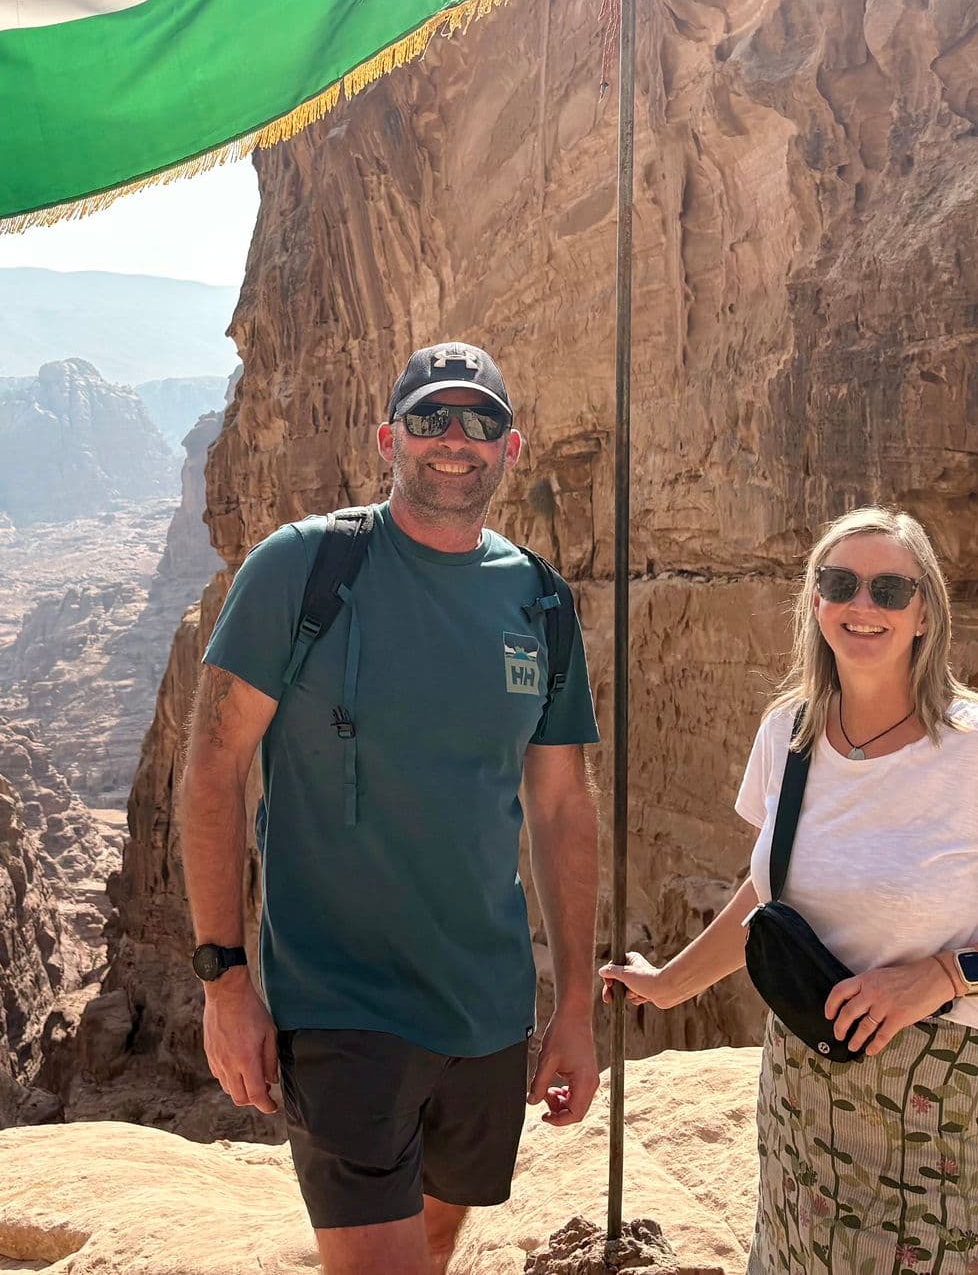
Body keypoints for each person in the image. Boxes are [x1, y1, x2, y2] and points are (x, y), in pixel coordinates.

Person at [600, 507, 978, 1275]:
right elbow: (768, 889)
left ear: (925, 612)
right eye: (839, 583)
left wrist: (943, 976)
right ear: (814, 601)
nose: (862, 606)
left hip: (937, 1105)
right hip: (804, 1085)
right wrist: (670, 984)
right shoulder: (791, 734)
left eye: (889, 589)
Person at [180, 341, 602, 1275]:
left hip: (487, 1012)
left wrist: (573, 1007)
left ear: (511, 448)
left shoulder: (539, 602)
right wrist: (224, 981)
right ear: (389, 438)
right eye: (430, 419)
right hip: (342, 1006)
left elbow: (565, 806)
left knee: (437, 1241)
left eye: (479, 422)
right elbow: (213, 770)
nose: (455, 440)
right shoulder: (304, 566)